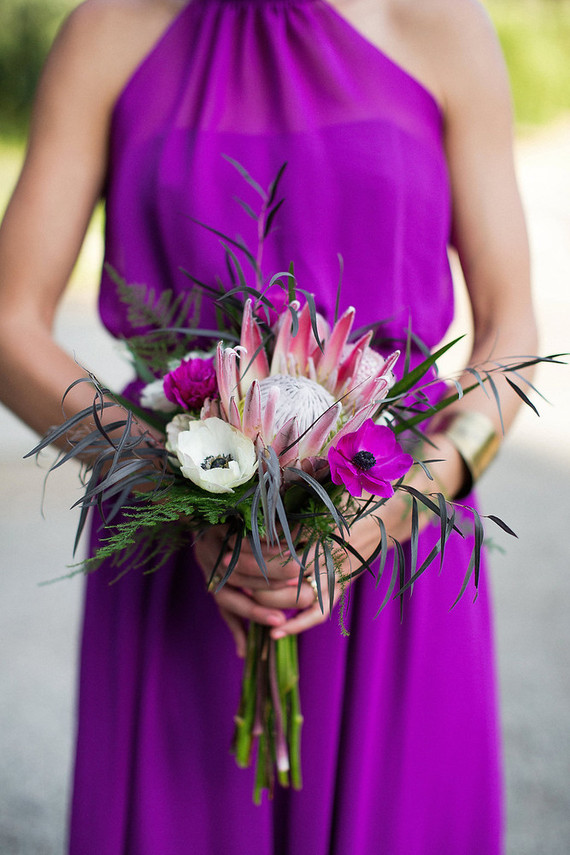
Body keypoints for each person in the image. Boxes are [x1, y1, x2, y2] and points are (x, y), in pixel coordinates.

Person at [0, 0, 537, 852]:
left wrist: (400, 503)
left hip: (394, 541)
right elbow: (8, 323)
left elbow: (513, 334)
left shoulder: (443, 25)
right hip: (177, 546)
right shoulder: (107, 29)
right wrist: (176, 469)